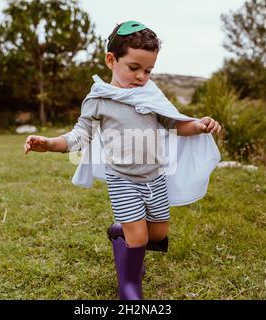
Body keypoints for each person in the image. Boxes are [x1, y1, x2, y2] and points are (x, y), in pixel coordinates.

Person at [24, 21, 222, 300]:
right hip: (123, 179)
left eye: (148, 70)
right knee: (139, 238)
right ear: (111, 60)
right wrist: (50, 144)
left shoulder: (150, 93)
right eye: (133, 68)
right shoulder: (99, 100)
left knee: (157, 235)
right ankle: (129, 286)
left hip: (155, 178)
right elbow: (80, 135)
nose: (142, 76)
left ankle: (120, 234)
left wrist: (198, 125)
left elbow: (175, 124)